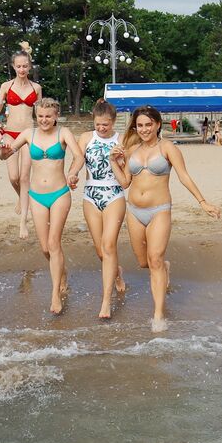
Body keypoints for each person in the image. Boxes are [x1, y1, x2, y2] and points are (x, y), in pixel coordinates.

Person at [110, 105, 221, 332]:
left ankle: (158, 314)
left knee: (155, 259)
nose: (144, 129)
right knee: (144, 263)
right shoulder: (131, 150)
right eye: (140, 125)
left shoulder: (168, 147)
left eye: (148, 125)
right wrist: (114, 162)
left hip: (159, 210)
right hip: (134, 211)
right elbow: (124, 182)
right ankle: (165, 268)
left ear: (158, 124)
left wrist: (203, 202)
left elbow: (184, 176)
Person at [0, 98, 85, 315]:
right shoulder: (29, 134)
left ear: (56, 116)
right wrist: (4, 148)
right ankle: (61, 272)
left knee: (54, 242)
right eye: (41, 116)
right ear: (36, 116)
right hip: (36, 196)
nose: (44, 120)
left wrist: (73, 172)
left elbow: (79, 156)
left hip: (59, 194)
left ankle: (55, 294)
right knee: (45, 247)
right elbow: (5, 155)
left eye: (48, 116)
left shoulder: (63, 133)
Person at [79, 99, 127, 319]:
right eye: (98, 124)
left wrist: (119, 159)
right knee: (101, 251)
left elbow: (127, 174)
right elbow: (77, 161)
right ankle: (116, 274)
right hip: (91, 196)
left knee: (109, 246)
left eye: (105, 124)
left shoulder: (121, 140)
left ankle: (105, 302)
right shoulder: (86, 138)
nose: (101, 128)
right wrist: (71, 174)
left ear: (113, 121)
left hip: (114, 195)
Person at [0, 44, 43, 221]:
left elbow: (40, 113)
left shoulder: (36, 88)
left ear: (29, 67)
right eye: (19, 66)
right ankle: (22, 197)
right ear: (13, 67)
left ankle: (24, 212)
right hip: (10, 133)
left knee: (24, 176)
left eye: (25, 66)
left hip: (29, 134)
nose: (22, 69)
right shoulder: (6, 86)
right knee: (13, 177)